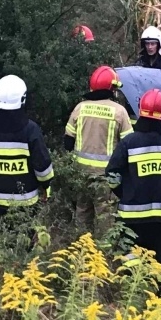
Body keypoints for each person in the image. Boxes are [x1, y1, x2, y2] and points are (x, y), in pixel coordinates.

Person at [104, 88, 161, 269]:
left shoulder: (128, 142)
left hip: (134, 213)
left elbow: (112, 174)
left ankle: (136, 288)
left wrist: (122, 192)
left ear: (141, 111)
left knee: (134, 255)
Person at [0, 74, 54, 220]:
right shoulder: (31, 130)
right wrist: (46, 186)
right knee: (25, 240)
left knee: (2, 240)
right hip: (27, 202)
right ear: (23, 99)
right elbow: (43, 170)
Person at [63, 65, 133, 228]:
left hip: (81, 174)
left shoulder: (80, 108)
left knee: (82, 215)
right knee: (105, 220)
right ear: (111, 88)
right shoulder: (120, 112)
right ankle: (104, 252)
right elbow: (127, 146)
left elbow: (68, 141)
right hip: (105, 177)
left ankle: (82, 250)